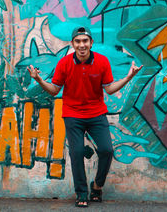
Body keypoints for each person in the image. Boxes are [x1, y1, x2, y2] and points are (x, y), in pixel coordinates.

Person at [28, 26, 142, 207]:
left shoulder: (102, 61)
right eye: (78, 41)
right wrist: (39, 80)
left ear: (91, 43)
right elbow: (54, 90)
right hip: (73, 114)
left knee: (107, 150)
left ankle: (97, 186)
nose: (82, 45)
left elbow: (110, 89)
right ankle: (82, 193)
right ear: (73, 44)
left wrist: (128, 78)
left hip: (97, 114)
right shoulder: (64, 63)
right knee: (77, 152)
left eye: (85, 41)